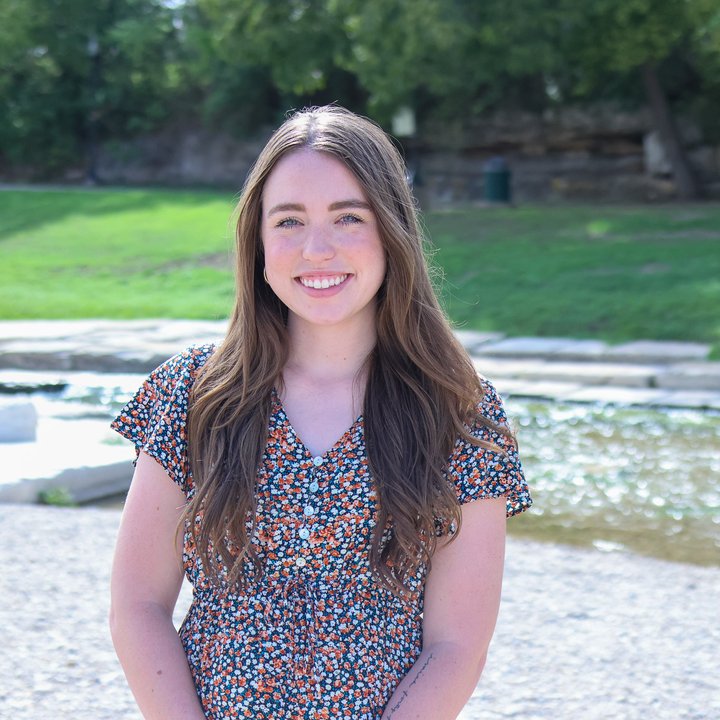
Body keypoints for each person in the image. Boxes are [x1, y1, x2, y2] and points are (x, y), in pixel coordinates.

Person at [109, 105, 532, 720]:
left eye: (348, 217)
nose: (317, 249)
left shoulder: (458, 410)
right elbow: (137, 605)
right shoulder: (194, 395)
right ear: (257, 240)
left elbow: (457, 643)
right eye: (288, 221)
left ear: (392, 230)